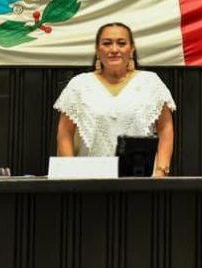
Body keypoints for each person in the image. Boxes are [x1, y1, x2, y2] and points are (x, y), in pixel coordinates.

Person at [55, 22, 175, 176]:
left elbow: (165, 128)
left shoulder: (150, 82)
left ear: (131, 49)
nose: (114, 50)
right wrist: (69, 173)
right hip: (87, 179)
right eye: (107, 43)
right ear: (97, 50)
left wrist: (161, 170)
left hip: (139, 180)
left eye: (121, 43)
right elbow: (65, 133)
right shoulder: (79, 85)